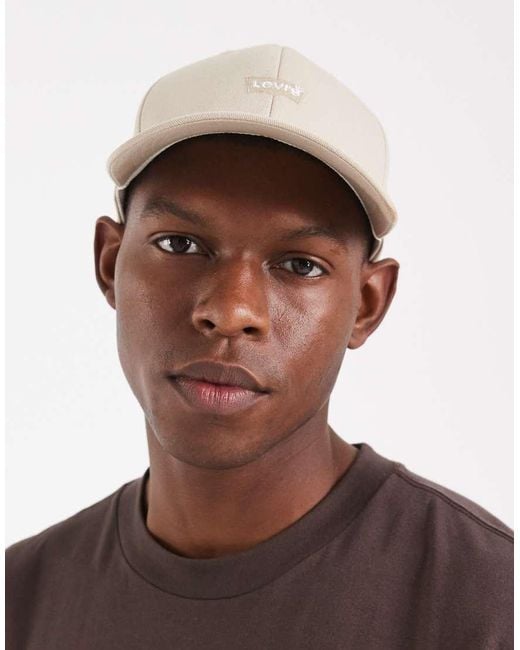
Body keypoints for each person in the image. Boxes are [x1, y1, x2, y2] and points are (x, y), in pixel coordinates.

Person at [6, 44, 512, 650]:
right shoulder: (21, 599)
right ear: (110, 263)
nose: (230, 311)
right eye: (180, 245)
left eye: (300, 264)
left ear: (367, 304)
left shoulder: (490, 600)